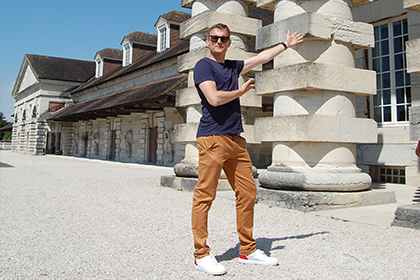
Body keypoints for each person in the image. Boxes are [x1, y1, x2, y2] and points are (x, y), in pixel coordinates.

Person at [192, 23, 304, 276]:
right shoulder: (203, 66)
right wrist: (239, 91)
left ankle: (247, 250)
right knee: (205, 196)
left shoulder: (233, 65)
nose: (219, 42)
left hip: (235, 140)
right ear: (208, 41)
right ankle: (201, 254)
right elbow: (214, 98)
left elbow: (262, 57)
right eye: (215, 38)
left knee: (247, 191)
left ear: (229, 42)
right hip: (212, 138)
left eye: (224, 39)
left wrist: (286, 45)